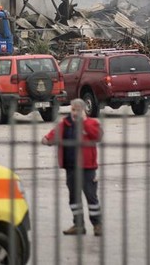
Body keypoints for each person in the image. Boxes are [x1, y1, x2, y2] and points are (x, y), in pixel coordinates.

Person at [42, 99, 103, 236]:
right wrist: (47, 140)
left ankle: (97, 225)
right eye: (73, 110)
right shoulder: (65, 123)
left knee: (91, 198)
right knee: (74, 199)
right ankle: (78, 225)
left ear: (84, 110)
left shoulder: (92, 123)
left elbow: (98, 136)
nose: (75, 113)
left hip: (88, 168)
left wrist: (84, 122)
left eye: (78, 110)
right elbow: (51, 136)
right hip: (71, 168)